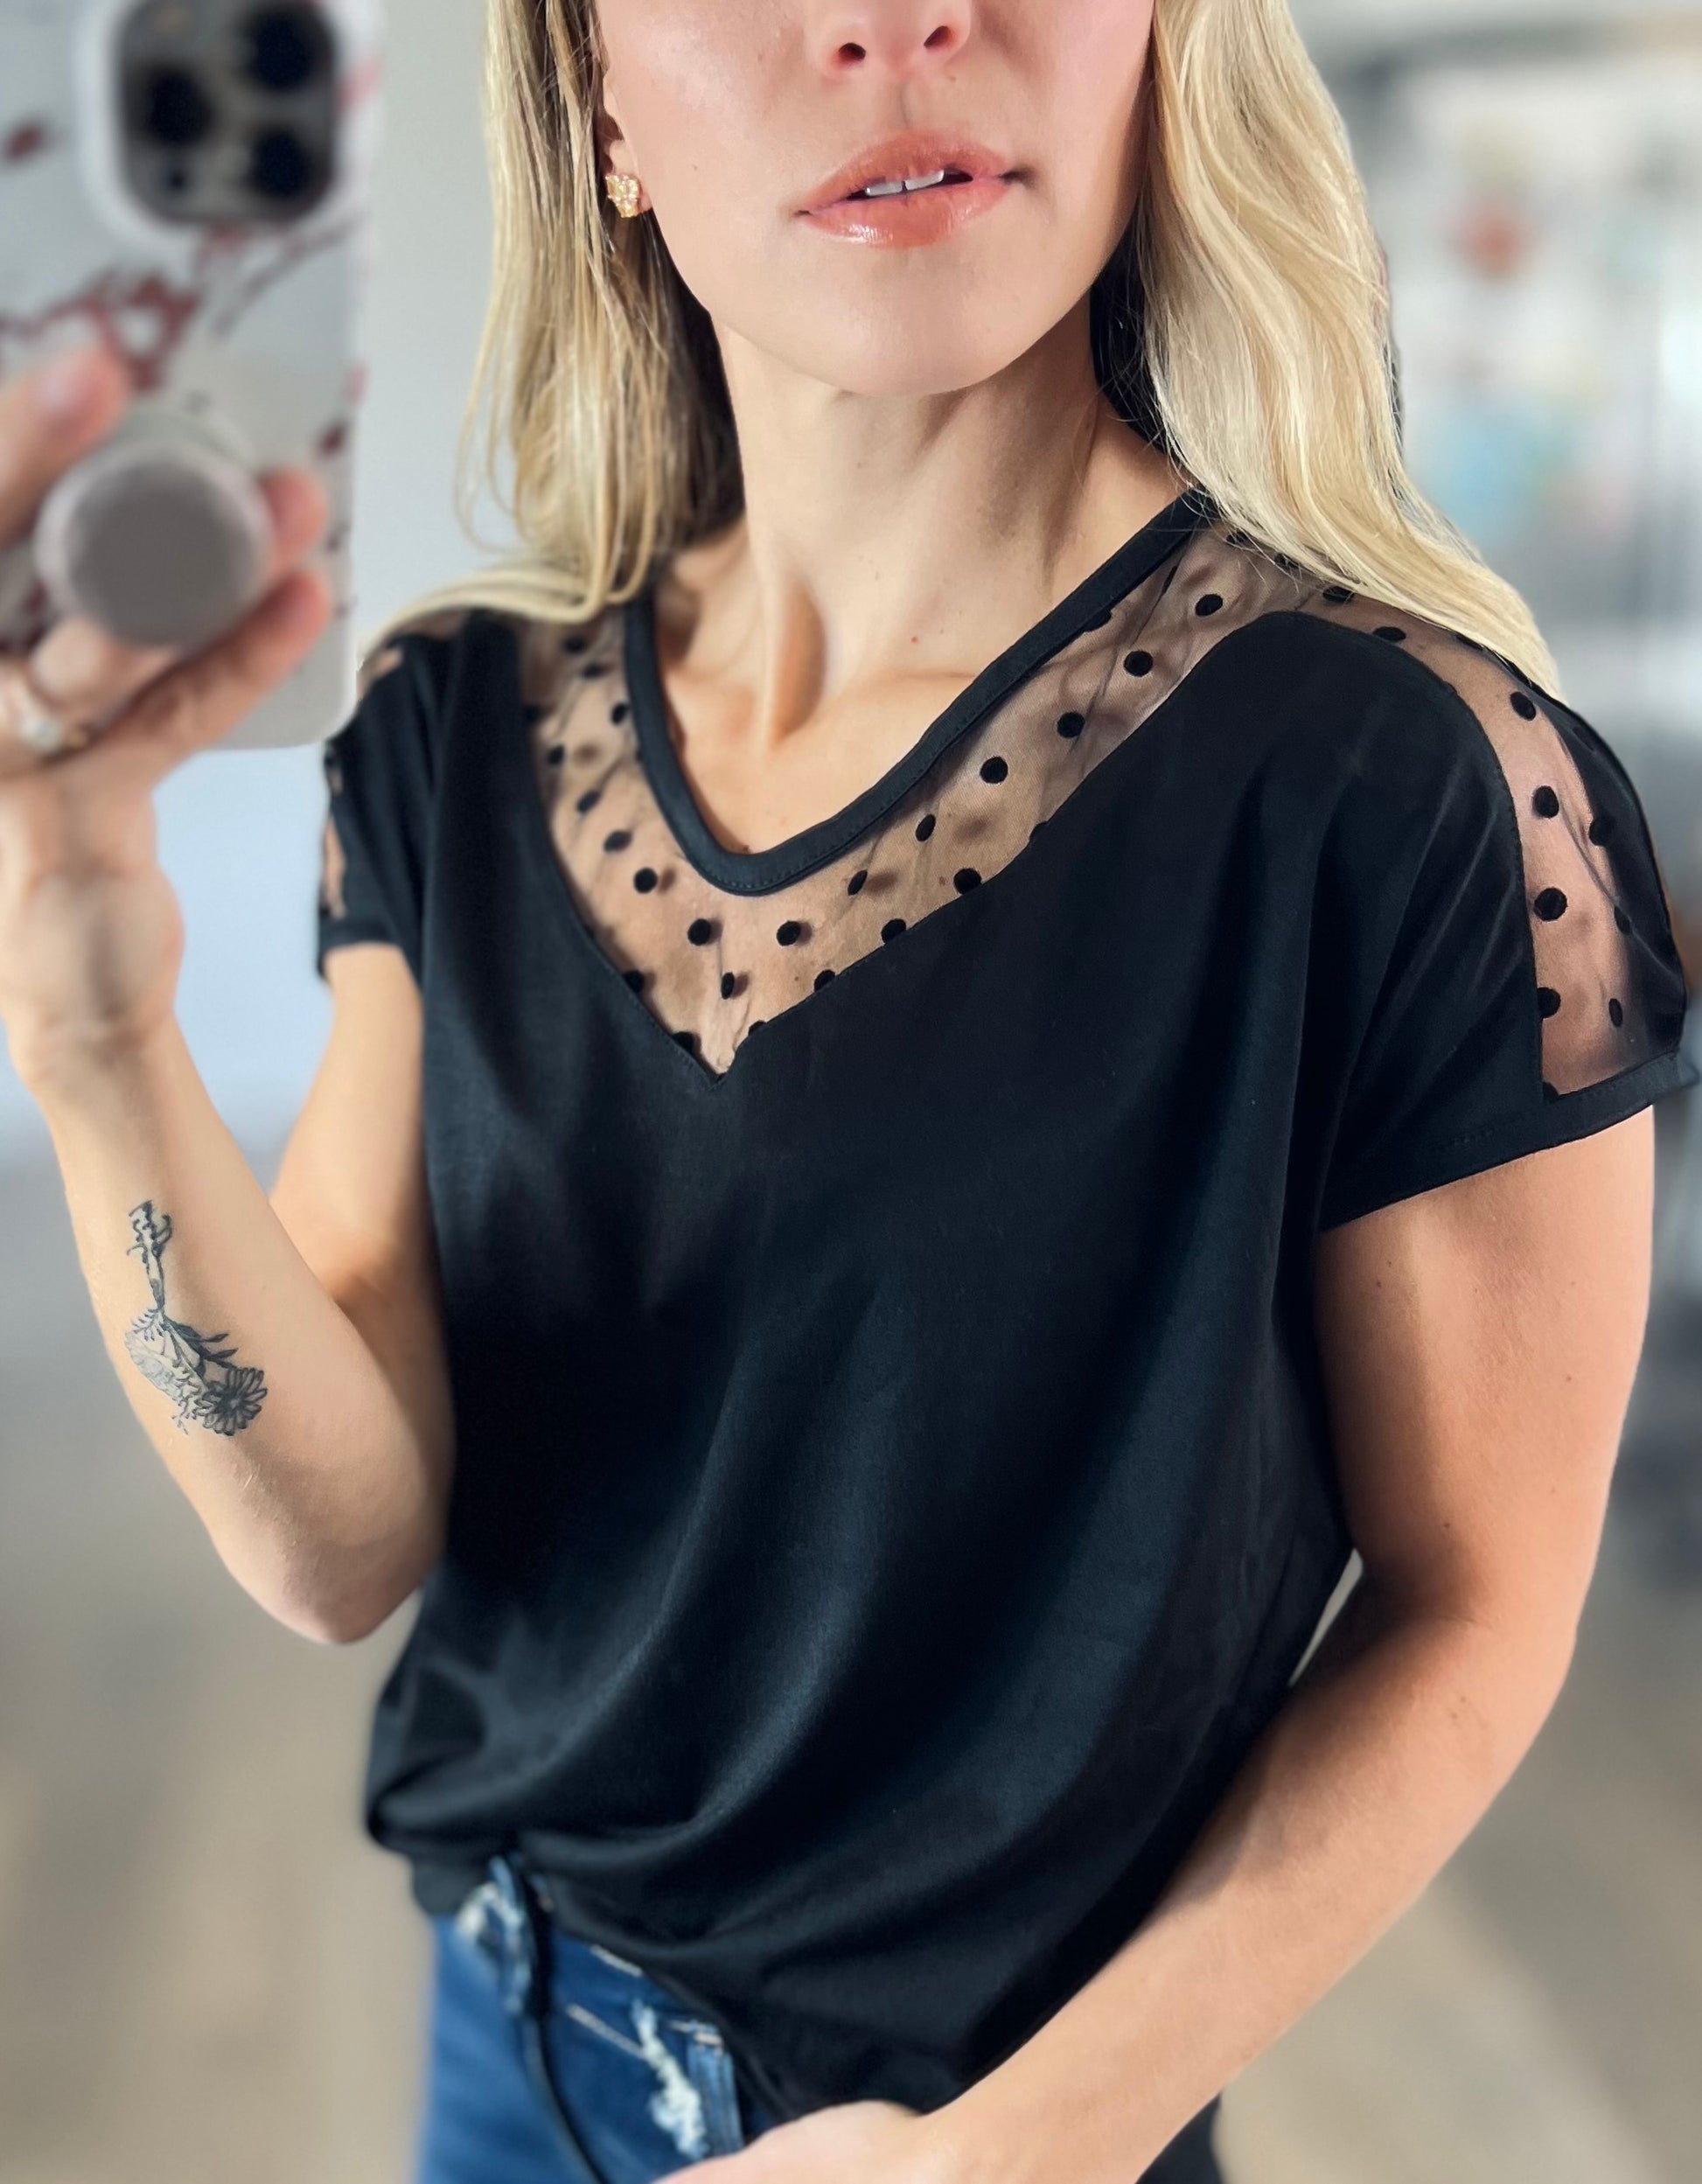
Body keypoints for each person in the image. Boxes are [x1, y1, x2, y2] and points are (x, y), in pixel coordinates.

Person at [2, 2, 1697, 2180]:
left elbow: (1476, 1605)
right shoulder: (448, 724)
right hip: (507, 2051)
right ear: (598, 106)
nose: (895, 16)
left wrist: (1008, 2153)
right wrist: (100, 1037)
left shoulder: (1414, 783)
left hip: (997, 2125)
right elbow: (340, 1543)